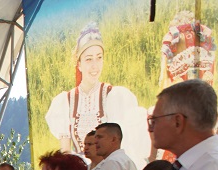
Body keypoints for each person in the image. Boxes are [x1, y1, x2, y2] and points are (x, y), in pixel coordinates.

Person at [46, 23, 147, 162]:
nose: (95, 65)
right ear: (79, 64)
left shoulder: (114, 96)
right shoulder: (66, 101)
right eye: (88, 59)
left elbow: (121, 146)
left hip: (108, 168)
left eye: (99, 58)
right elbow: (65, 152)